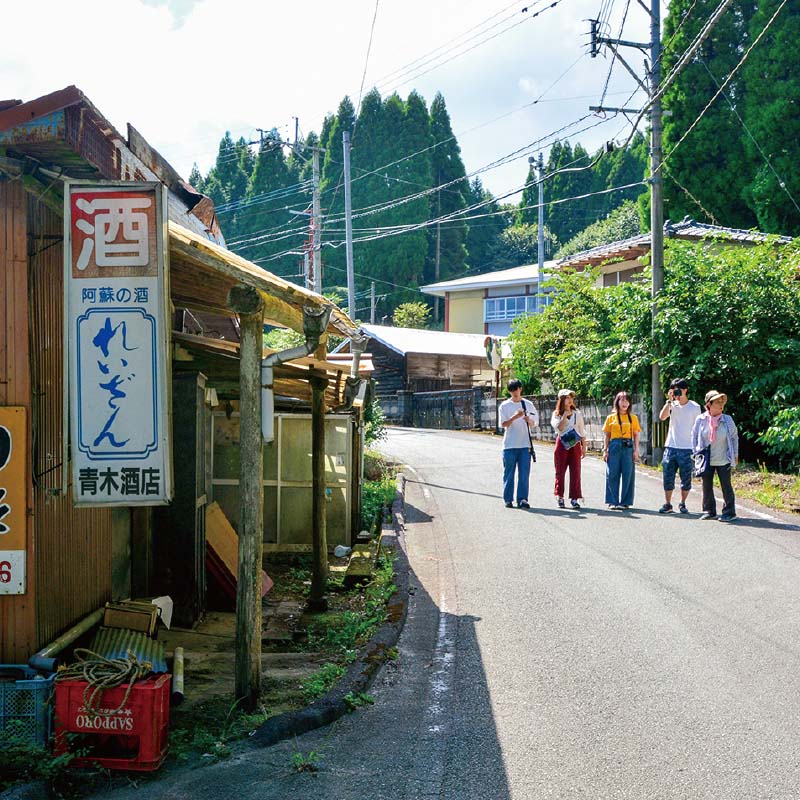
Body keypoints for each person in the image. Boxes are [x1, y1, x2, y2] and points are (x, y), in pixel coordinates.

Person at [692, 390, 739, 521]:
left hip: (724, 457)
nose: (720, 405)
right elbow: (694, 436)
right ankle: (709, 510)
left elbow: (734, 437)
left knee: (726, 485)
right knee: (706, 485)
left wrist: (735, 454)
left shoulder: (727, 419)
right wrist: (696, 453)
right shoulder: (700, 419)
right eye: (717, 402)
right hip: (706, 459)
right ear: (709, 404)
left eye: (721, 402)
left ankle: (729, 512)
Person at [658, 378, 701, 514]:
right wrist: (669, 401)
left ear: (685, 390)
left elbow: (698, 427)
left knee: (686, 478)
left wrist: (698, 447)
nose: (677, 392)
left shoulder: (694, 407)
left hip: (687, 447)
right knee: (668, 476)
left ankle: (682, 503)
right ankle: (668, 503)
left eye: (679, 390)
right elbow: (662, 417)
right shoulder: (672, 405)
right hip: (671, 446)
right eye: (674, 390)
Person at [498, 379, 539, 509]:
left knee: (524, 474)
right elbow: (503, 425)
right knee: (508, 474)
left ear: (520, 389)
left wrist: (529, 420)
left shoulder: (528, 404)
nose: (515, 392)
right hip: (509, 445)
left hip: (525, 445)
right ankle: (508, 499)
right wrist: (515, 417)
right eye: (512, 390)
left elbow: (535, 423)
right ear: (509, 391)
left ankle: (522, 499)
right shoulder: (504, 406)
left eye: (516, 389)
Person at [602, 391, 641, 509]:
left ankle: (625, 501)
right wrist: (605, 450)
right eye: (622, 400)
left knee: (628, 474)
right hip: (614, 445)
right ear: (617, 402)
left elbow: (636, 434)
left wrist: (636, 450)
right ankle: (612, 501)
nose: (624, 403)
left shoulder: (633, 418)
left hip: (628, 446)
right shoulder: (611, 418)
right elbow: (607, 435)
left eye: (627, 400)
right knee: (612, 473)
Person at [551, 389, 586, 509]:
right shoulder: (556, 414)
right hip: (562, 443)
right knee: (560, 471)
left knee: (576, 471)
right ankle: (560, 497)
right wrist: (564, 416)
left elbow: (581, 430)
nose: (570, 400)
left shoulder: (577, 413)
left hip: (575, 444)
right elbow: (559, 428)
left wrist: (583, 446)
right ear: (561, 400)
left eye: (571, 397)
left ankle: (575, 498)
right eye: (567, 397)